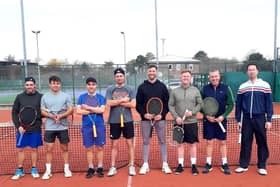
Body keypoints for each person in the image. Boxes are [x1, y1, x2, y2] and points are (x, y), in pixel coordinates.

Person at [235, 63, 273, 176]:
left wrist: (269, 119)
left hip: (260, 118)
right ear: (247, 72)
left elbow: (269, 104)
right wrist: (238, 120)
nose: (251, 72)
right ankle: (243, 165)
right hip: (246, 119)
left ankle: (262, 166)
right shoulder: (242, 87)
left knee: (262, 142)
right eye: (249, 70)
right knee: (245, 143)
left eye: (253, 70)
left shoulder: (265, 85)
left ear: (257, 71)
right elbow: (239, 105)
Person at [136, 64, 172, 175]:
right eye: (150, 71)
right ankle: (145, 164)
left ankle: (165, 164)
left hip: (160, 119)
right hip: (146, 119)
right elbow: (138, 104)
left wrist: (162, 114)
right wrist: (144, 114)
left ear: (156, 72)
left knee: (162, 141)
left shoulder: (162, 86)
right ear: (147, 72)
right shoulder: (142, 87)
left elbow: (167, 103)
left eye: (153, 71)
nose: (151, 73)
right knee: (146, 141)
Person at [169, 70, 202, 176]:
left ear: (190, 77)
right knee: (180, 145)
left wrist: (192, 112)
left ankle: (193, 165)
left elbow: (200, 104)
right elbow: (170, 105)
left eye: (187, 76)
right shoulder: (174, 91)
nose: (185, 78)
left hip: (192, 122)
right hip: (179, 123)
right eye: (184, 76)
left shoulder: (195, 90)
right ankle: (180, 165)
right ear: (181, 77)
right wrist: (176, 117)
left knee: (192, 145)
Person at [201, 69, 234, 175]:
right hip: (208, 121)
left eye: (216, 76)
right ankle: (208, 163)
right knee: (209, 142)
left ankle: (224, 164)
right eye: (212, 77)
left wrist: (223, 116)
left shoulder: (226, 88)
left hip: (221, 121)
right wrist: (206, 115)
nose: (214, 78)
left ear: (219, 76)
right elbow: (200, 105)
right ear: (209, 78)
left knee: (223, 142)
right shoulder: (205, 89)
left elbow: (231, 104)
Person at [40, 75, 73, 179]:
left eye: (57, 83)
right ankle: (48, 170)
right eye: (53, 83)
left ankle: (66, 169)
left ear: (60, 84)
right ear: (50, 84)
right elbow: (42, 110)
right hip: (50, 127)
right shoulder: (45, 97)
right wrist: (52, 116)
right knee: (49, 149)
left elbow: (70, 109)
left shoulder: (66, 96)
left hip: (62, 127)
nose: (55, 85)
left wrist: (61, 116)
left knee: (65, 148)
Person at [106, 68, 137, 176]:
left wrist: (117, 102)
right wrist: (123, 100)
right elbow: (109, 103)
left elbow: (133, 104)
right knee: (114, 144)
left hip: (127, 120)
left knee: (129, 143)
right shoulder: (110, 89)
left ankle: (132, 165)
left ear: (124, 77)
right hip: (114, 121)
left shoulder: (131, 89)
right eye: (117, 76)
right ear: (115, 77)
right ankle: (113, 166)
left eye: (121, 76)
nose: (119, 78)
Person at [11, 77, 43, 180]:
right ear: (25, 86)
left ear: (35, 85)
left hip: (35, 128)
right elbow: (14, 112)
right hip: (22, 129)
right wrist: (18, 126)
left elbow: (43, 111)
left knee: (34, 149)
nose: (29, 86)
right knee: (20, 149)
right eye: (27, 85)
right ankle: (20, 170)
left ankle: (34, 169)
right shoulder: (19, 97)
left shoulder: (40, 97)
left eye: (31, 84)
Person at [76, 77, 106, 178]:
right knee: (88, 148)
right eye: (89, 84)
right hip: (87, 126)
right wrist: (95, 109)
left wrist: (87, 108)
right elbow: (78, 111)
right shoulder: (81, 97)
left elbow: (101, 110)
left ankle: (100, 167)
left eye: (93, 84)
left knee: (100, 147)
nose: (91, 86)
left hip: (99, 125)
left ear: (96, 85)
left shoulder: (101, 97)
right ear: (86, 86)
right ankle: (91, 168)